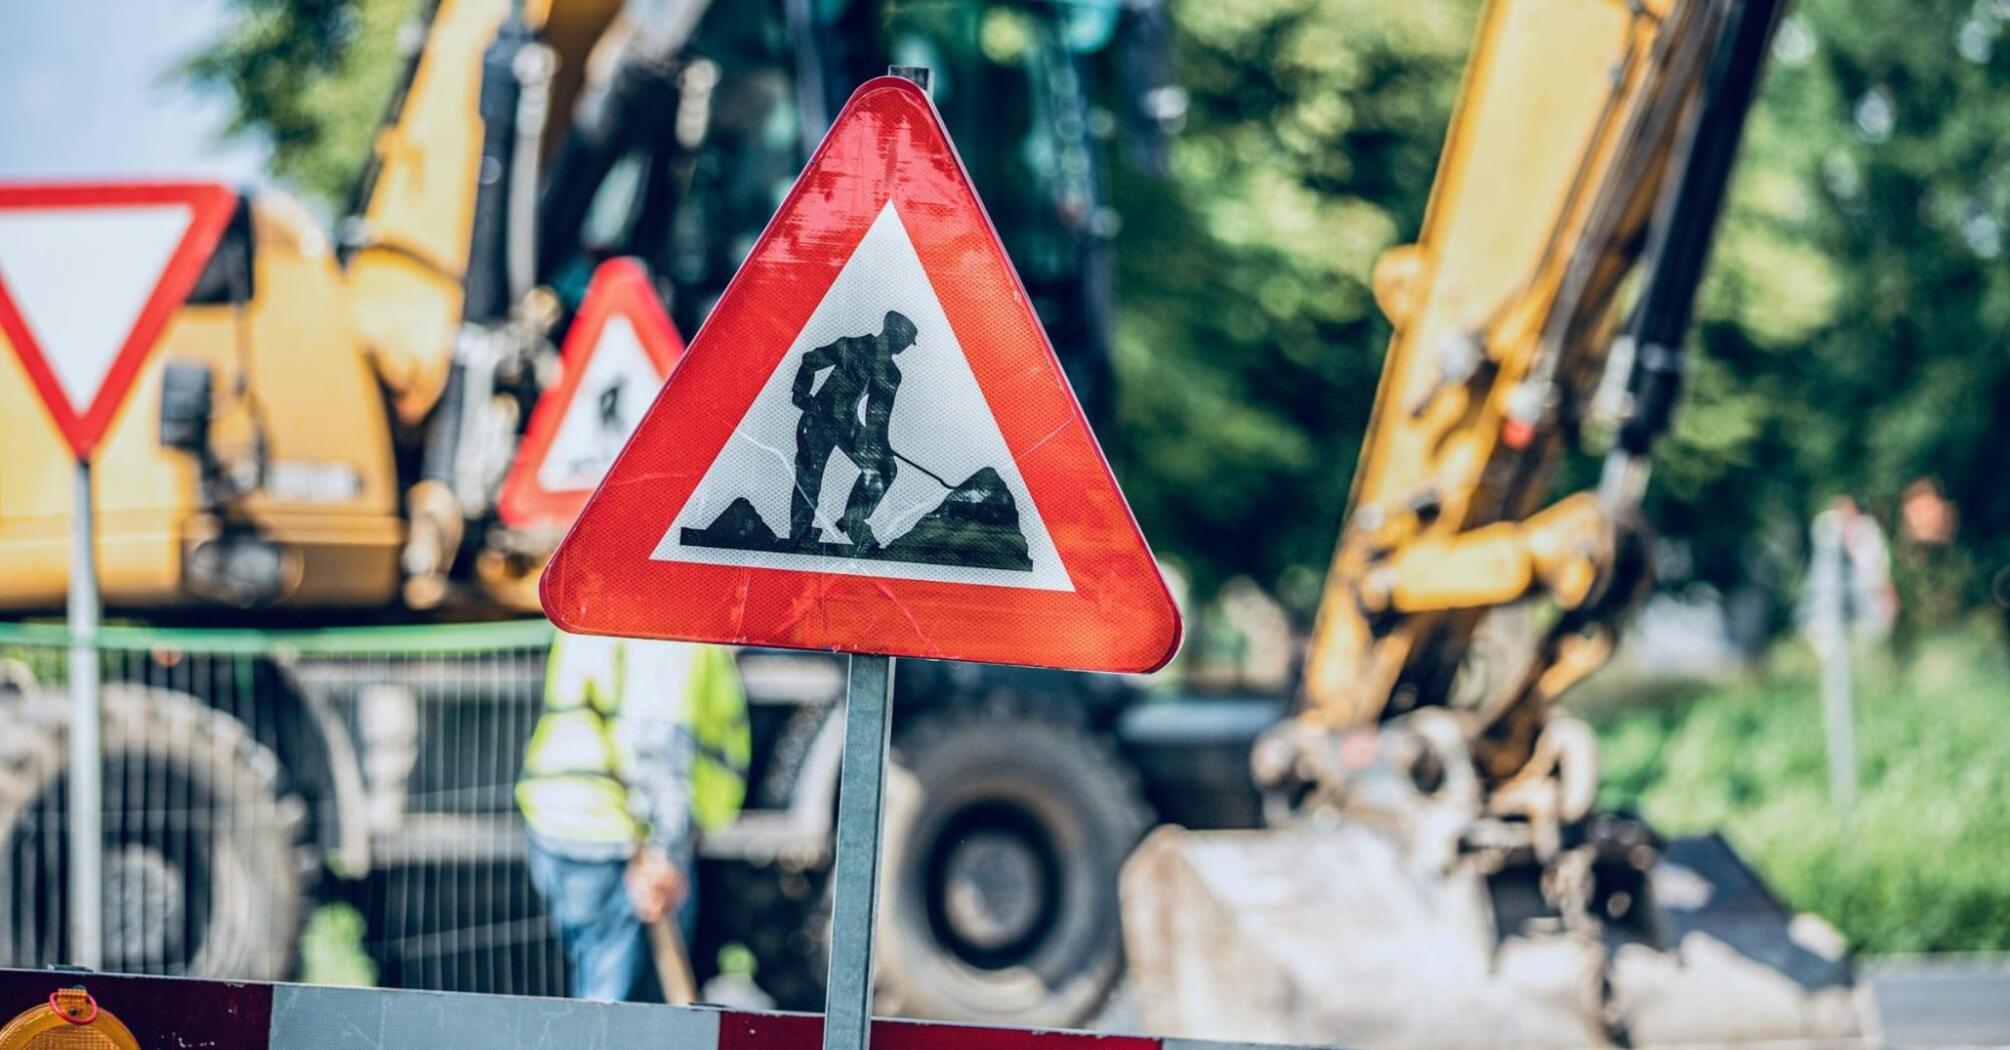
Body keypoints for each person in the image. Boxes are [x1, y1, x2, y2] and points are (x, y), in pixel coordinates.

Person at [517, 631, 749, 1001]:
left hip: (562, 821)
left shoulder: (598, 600)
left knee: (600, 992)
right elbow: (657, 745)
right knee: (619, 1011)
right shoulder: (669, 614)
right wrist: (664, 853)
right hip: (622, 840)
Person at [788, 310, 916, 550]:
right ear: (897, 335)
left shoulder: (889, 372)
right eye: (907, 342)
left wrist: (881, 444)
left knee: (884, 468)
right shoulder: (852, 346)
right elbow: (810, 360)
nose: (906, 347)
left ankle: (853, 520)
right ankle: (800, 537)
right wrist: (800, 393)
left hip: (844, 424)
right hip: (818, 418)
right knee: (810, 478)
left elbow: (878, 414)